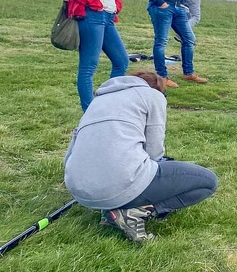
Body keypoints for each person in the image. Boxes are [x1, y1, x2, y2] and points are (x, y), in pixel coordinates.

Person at [64, 71, 219, 243]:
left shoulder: (97, 101)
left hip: (78, 188)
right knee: (207, 181)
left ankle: (114, 209)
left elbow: (70, 153)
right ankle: (133, 212)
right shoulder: (152, 96)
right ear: (158, 89)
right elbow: (154, 153)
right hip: (117, 184)